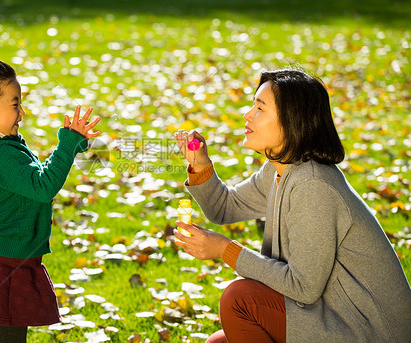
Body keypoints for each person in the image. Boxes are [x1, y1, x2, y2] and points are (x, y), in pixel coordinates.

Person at [173, 68, 411, 342]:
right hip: (331, 315)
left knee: (240, 300)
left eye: (260, 108)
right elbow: (224, 207)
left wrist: (225, 249)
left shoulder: (314, 185)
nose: (247, 115)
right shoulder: (280, 169)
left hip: (369, 331)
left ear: (292, 121)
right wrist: (200, 164)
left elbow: (303, 286)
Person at [0, 58, 100, 343]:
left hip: (12, 258)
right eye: (14, 104)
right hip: (6, 266)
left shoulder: (5, 143)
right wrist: (67, 144)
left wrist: (74, 144)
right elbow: (43, 186)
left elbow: (36, 176)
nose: (21, 112)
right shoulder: (0, 153)